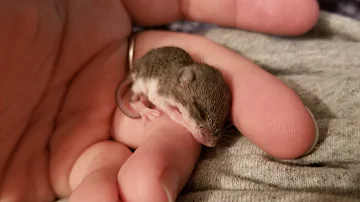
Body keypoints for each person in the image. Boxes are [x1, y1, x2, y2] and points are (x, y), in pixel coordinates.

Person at [0, 0, 320, 201]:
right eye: (195, 115)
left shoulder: (195, 87)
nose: (206, 136)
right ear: (184, 84)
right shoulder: (168, 86)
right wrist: (141, 105)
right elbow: (159, 97)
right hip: (143, 75)